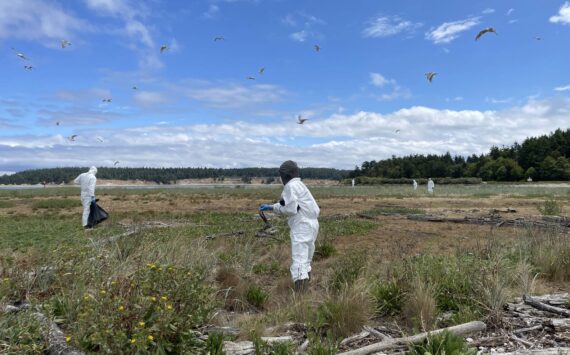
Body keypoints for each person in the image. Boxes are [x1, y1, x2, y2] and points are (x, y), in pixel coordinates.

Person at [259, 160, 320, 293]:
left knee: (299, 262)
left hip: (302, 225)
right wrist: (272, 206)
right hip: (312, 224)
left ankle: (300, 301)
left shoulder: (290, 187)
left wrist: (275, 208)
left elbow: (290, 209)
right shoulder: (300, 185)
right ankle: (306, 294)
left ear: (284, 175)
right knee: (306, 261)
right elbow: (291, 204)